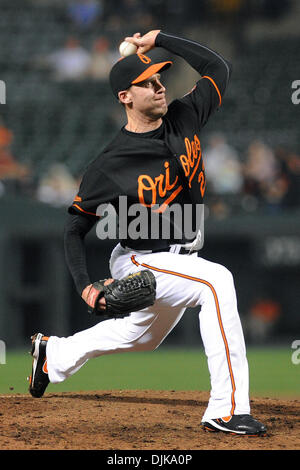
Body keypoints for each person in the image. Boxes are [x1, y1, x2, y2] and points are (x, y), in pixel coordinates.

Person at [28, 29, 267, 436]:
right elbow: (74, 227)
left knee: (141, 336)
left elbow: (217, 68)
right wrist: (85, 285)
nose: (160, 88)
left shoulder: (185, 115)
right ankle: (226, 410)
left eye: (160, 80)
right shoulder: (109, 164)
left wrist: (160, 38)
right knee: (217, 283)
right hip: (141, 258)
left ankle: (54, 354)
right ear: (125, 96)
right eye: (148, 83)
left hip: (180, 255)